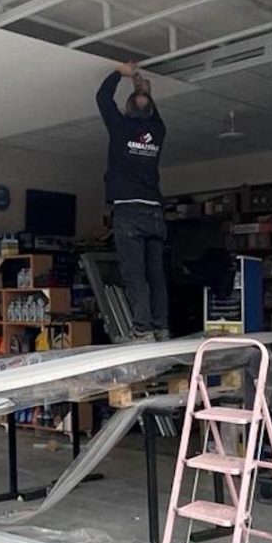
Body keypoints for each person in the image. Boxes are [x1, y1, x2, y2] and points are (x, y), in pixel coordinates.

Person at [96, 61, 168, 342]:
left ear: (127, 110)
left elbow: (103, 97)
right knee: (155, 273)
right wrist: (142, 89)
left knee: (134, 273)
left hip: (129, 210)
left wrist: (119, 73)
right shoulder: (158, 130)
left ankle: (143, 329)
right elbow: (150, 111)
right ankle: (160, 326)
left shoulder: (120, 127)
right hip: (154, 212)